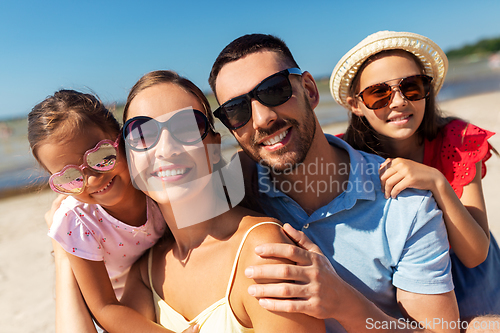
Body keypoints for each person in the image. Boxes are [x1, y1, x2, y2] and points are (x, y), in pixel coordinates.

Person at [208, 33, 459, 333]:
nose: (261, 119)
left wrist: (344, 304)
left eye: (274, 90)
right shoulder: (236, 188)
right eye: (237, 111)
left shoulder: (405, 203)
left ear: (311, 91)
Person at [119, 70, 325, 333]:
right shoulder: (146, 271)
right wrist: (67, 251)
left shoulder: (262, 252)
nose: (166, 148)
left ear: (214, 148)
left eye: (187, 127)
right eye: (143, 134)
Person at [330, 31, 500, 327]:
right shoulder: (345, 154)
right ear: (355, 105)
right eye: (378, 94)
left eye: (411, 87)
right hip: (401, 282)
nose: (398, 102)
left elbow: (475, 255)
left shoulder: (457, 140)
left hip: (474, 284)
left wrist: (437, 182)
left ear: (427, 90)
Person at [29, 90, 197, 333]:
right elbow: (105, 307)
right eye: (70, 176)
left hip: (163, 278)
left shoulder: (153, 180)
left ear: (121, 137)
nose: (92, 180)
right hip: (120, 307)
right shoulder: (77, 221)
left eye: (100, 156)